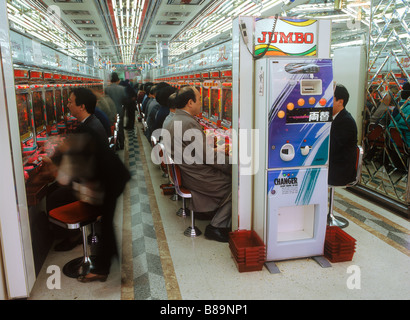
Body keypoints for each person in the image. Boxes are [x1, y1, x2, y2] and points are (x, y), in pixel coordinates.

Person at [44, 87, 130, 282]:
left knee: (106, 225)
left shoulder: (88, 128)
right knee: (107, 225)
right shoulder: (89, 123)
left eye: (70, 102)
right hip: (109, 179)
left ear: (81, 106)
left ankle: (104, 267)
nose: (67, 104)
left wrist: (53, 164)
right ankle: (108, 266)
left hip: (108, 181)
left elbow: (72, 170)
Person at [164, 86, 232, 242]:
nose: (202, 103)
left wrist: (214, 149)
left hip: (188, 172)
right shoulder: (188, 123)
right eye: (200, 99)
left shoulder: (175, 119)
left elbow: (199, 152)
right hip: (197, 175)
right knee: (234, 184)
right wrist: (232, 165)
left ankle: (208, 212)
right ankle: (216, 226)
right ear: (190, 102)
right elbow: (208, 158)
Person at [328, 84, 358, 186]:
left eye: (330, 98)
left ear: (340, 102)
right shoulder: (335, 118)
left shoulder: (346, 121)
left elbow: (332, 147)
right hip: (333, 164)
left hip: (339, 170)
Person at [105, 72, 126, 149]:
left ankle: (115, 144)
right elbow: (124, 100)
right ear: (118, 79)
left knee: (112, 128)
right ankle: (122, 144)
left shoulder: (107, 89)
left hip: (110, 112)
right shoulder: (122, 89)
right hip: (120, 110)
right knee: (120, 127)